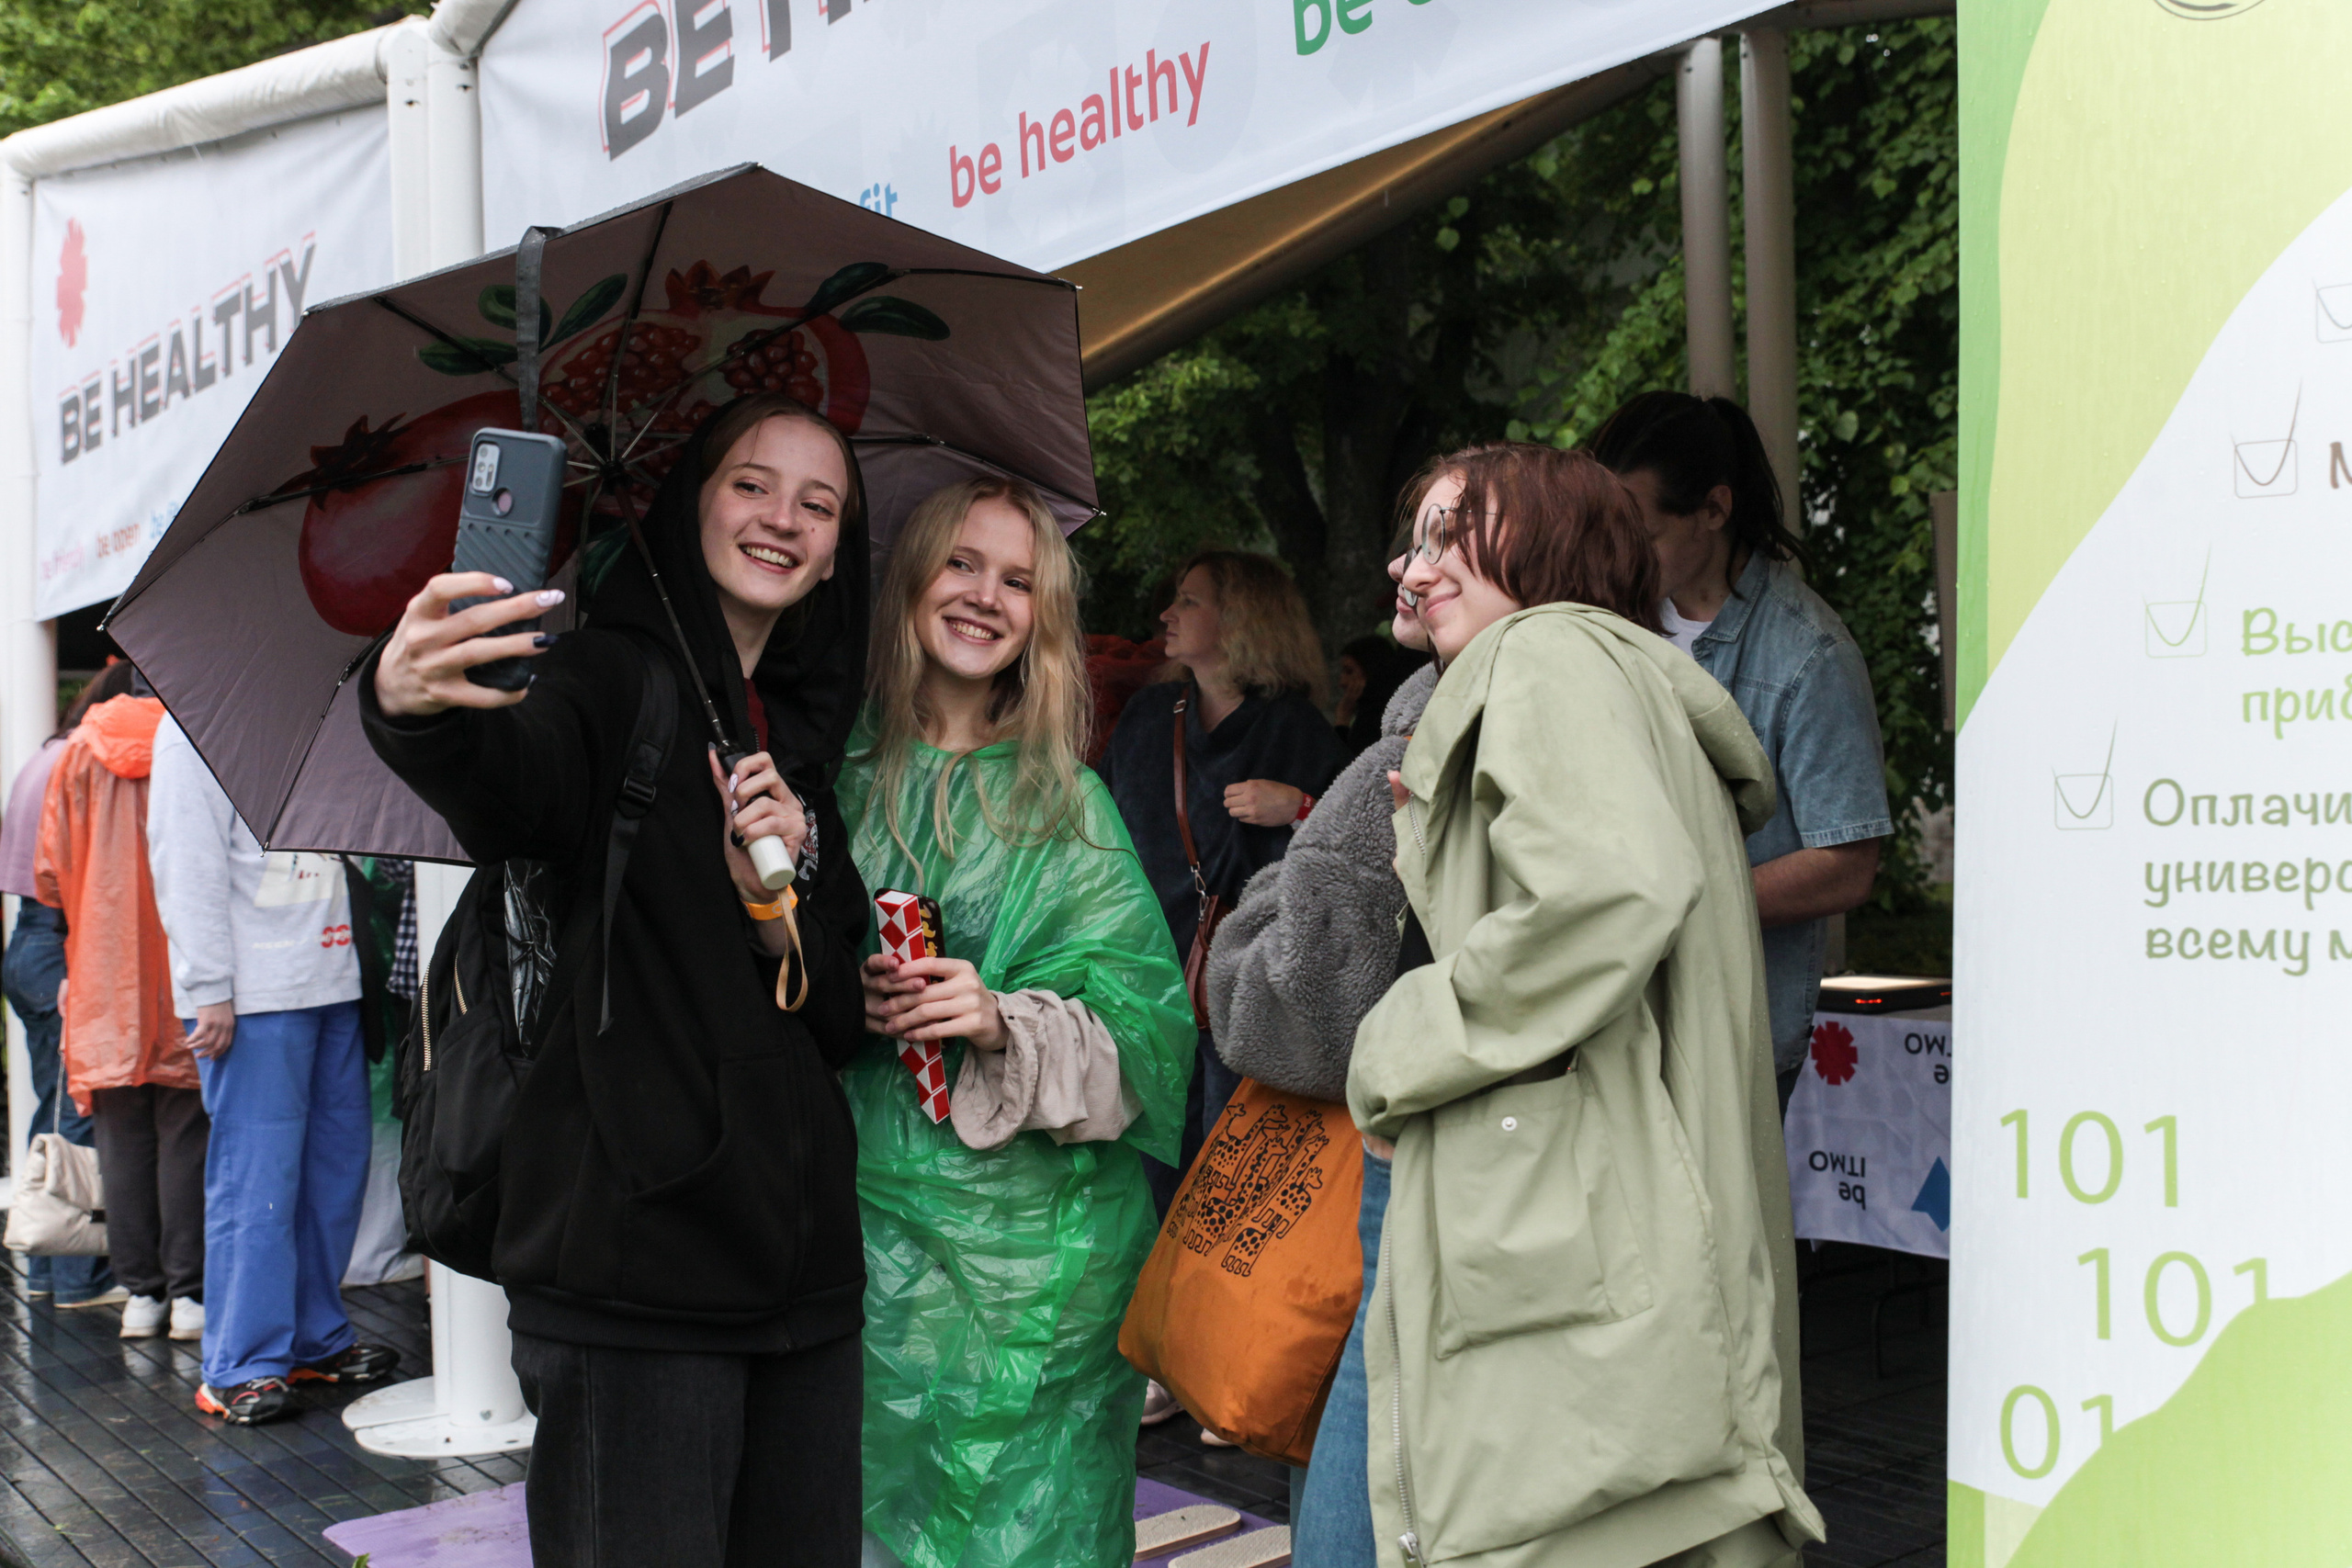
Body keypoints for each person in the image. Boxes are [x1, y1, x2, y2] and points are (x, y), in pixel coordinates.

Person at [363, 393, 874, 1567]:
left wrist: (794, 873)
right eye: (751, 484)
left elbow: (834, 1020)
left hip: (801, 1289)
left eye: (818, 502)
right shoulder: (603, 681)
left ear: (841, 547)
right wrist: (416, 701)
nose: (781, 519)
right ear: (693, 500)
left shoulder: (794, 743)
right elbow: (508, 783)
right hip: (632, 1287)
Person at [1351, 443, 1821, 1567]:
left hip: (1575, 1243)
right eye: (1414, 538)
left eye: (1453, 530)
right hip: (1628, 1234)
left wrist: (1399, 1044)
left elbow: (1612, 887)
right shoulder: (1611, 676)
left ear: (1554, 541)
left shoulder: (1543, 654)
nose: (1413, 567)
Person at [842, 477, 1193, 1568]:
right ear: (909, 578)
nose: (986, 596)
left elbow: (1151, 1036)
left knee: (1028, 1530)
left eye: (1019, 580)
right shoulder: (824, 777)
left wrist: (999, 1019)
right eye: (961, 563)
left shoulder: (1063, 802)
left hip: (1046, 1266)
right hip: (852, 1238)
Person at [1204, 531, 1436, 1564]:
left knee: (1350, 1447)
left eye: (1440, 539)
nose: (1404, 564)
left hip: (1392, 1159)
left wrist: (1278, 875)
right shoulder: (1648, 736)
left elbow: (1285, 1011)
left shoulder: (1397, 755)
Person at [1592, 392, 1893, 1105]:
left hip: (1730, 1038)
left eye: (1641, 532)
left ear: (1716, 510)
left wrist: (1683, 902)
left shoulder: (1810, 653)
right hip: (1612, 1021)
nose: (1620, 557)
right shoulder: (1608, 619)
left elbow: (1848, 865)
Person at [147, 714, 399, 1421]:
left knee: (331, 1176)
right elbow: (184, 861)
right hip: (255, 997)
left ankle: (316, 1337)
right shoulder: (189, 729)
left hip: (335, 977)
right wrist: (208, 991)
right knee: (256, 1184)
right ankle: (240, 1363)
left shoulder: (306, 713)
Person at [1095, 550, 1346, 1207]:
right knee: (1140, 1185)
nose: (1166, 613)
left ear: (1241, 618)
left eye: (1190, 600)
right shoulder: (1151, 717)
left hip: (1246, 1004)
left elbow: (1354, 863)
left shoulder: (1296, 728)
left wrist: (1299, 807)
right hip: (1142, 989)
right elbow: (1096, 838)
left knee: (1225, 1196)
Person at [34, 675, 207, 1342]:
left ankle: (142, 1293)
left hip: (103, 971)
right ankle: (190, 1294)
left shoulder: (78, 751)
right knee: (186, 1132)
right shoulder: (193, 737)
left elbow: (50, 869)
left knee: (122, 1140)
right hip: (182, 961)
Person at [0, 664, 134, 1310]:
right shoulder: (82, 759)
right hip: (58, 940)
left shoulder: (44, 755)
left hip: (27, 939)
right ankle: (81, 1274)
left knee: (52, 1110)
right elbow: (74, 870)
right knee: (80, 1108)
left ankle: (48, 1266)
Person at [1330, 634, 1430, 761]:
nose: (1342, 682)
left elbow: (1345, 763)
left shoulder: (1375, 719)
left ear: (1369, 670)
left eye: (1349, 671)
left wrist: (1342, 722)